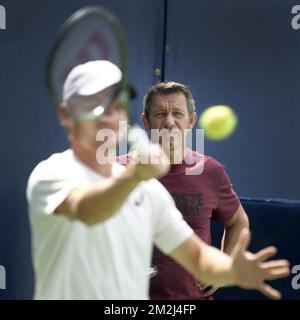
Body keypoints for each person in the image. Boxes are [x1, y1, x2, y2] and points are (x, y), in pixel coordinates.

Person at [26, 60, 289, 300]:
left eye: (115, 106)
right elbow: (87, 210)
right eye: (93, 105)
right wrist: (136, 175)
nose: (106, 115)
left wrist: (229, 270)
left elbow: (198, 257)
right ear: (65, 115)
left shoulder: (150, 189)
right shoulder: (53, 173)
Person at [138, 81, 249, 300]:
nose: (170, 122)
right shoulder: (120, 171)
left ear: (191, 121)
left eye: (177, 113)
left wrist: (224, 266)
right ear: (146, 122)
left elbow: (238, 222)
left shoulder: (211, 172)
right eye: (160, 114)